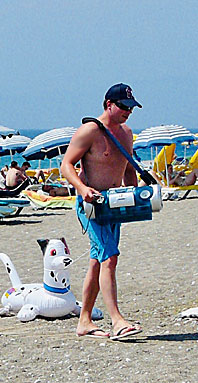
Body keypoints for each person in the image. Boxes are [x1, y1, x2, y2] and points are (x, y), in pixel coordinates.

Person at [60, 83, 143, 340]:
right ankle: (117, 321)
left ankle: (84, 321)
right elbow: (66, 165)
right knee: (110, 258)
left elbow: (129, 169)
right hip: (92, 203)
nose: (127, 112)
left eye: (131, 108)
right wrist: (82, 188)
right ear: (109, 104)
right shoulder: (90, 131)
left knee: (97, 261)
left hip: (115, 204)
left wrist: (135, 196)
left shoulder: (127, 133)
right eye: (123, 107)